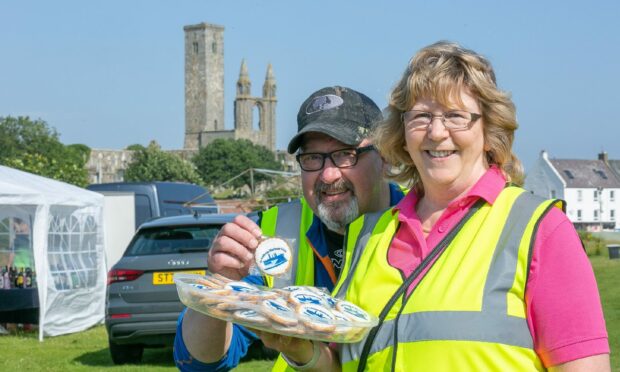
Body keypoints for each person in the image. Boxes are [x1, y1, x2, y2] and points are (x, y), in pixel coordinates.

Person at [267, 41, 611, 371]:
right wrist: (302, 353)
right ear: (401, 131)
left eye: (456, 116)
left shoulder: (539, 229)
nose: (436, 132)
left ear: (489, 128)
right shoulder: (371, 235)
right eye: (420, 116)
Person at [173, 86, 406, 371]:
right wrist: (217, 288)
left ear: (385, 157)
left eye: (346, 154)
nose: (328, 175)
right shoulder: (269, 232)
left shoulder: (424, 228)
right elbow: (199, 362)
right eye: (312, 158)